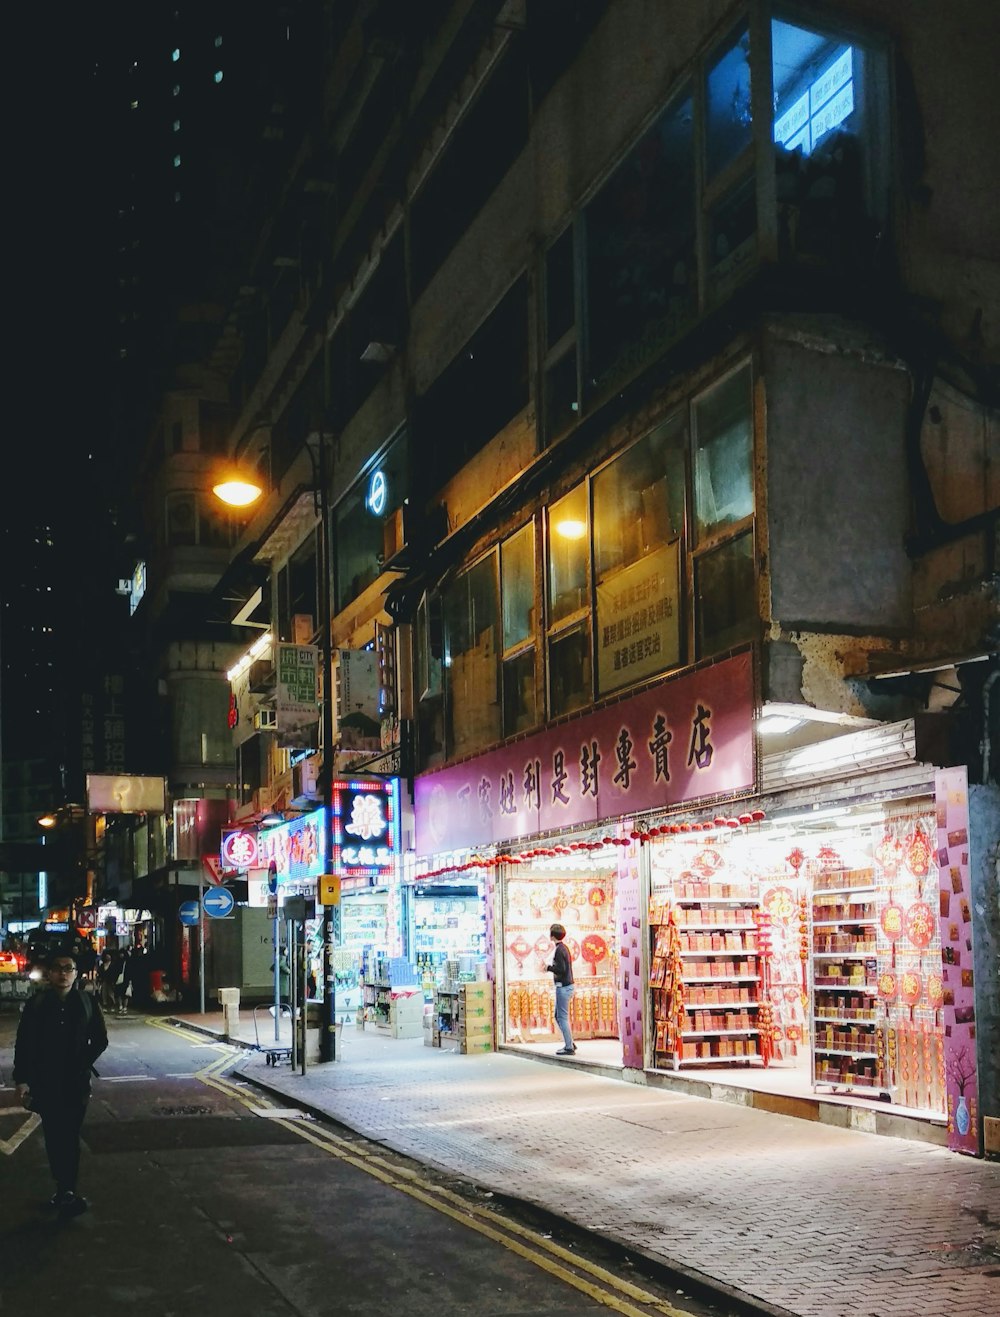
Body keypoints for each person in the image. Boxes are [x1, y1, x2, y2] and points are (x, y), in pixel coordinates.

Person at [13, 950, 108, 1218]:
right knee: (55, 1135)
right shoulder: (37, 1004)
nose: (63, 973)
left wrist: (82, 1061)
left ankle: (67, 1189)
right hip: (46, 1082)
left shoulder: (87, 1002)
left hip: (76, 1082)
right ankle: (63, 1186)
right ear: (50, 974)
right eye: (58, 968)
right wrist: (22, 1080)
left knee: (70, 1134)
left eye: (69, 968)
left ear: (76, 974)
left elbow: (100, 1039)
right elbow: (25, 1044)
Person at [545, 923, 576, 1056]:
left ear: (552, 936)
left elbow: (561, 970)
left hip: (563, 987)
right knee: (558, 1016)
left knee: (562, 1017)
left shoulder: (559, 950)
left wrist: (548, 968)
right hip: (566, 986)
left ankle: (569, 1047)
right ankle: (570, 1041)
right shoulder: (564, 948)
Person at [112, 947, 133, 1016]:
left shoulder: (127, 962)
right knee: (119, 994)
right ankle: (121, 1006)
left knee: (125, 994)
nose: (121, 955)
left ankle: (124, 1007)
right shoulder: (118, 962)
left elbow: (129, 971)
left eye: (122, 953)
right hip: (119, 980)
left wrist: (129, 980)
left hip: (125, 980)